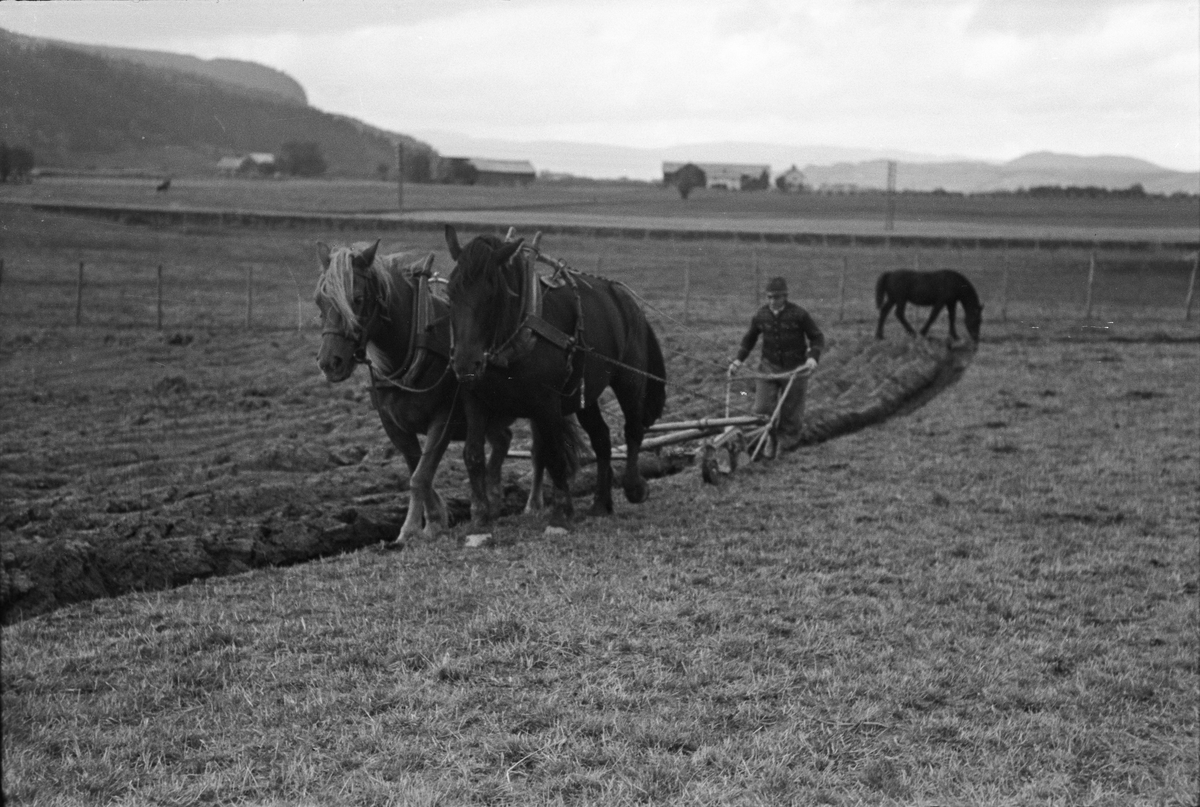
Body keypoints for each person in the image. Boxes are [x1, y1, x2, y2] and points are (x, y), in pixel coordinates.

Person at [728, 276, 824, 458]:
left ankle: (786, 446)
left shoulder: (799, 315)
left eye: (777, 297)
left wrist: (812, 358)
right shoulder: (761, 315)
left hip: (796, 370)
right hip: (768, 368)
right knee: (762, 409)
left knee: (791, 413)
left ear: (785, 297)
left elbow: (817, 337)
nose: (773, 301)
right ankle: (768, 440)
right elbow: (749, 339)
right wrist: (738, 360)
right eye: (770, 297)